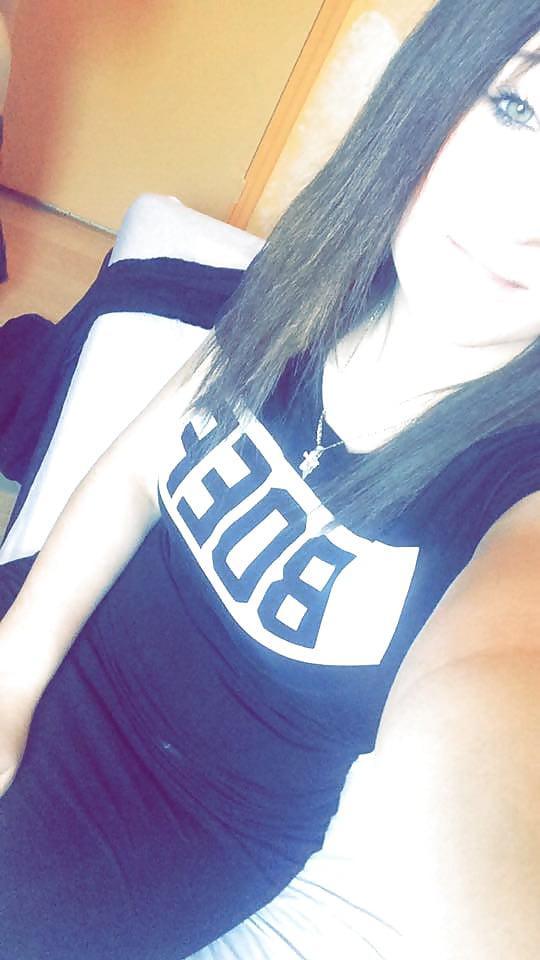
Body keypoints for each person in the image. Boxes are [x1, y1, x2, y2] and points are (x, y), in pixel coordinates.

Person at [1, 1, 540, 957]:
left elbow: (494, 721)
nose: (523, 217)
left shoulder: (517, 496)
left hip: (151, 826)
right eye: (517, 108)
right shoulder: (321, 281)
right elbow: (137, 472)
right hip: (57, 623)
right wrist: (15, 673)